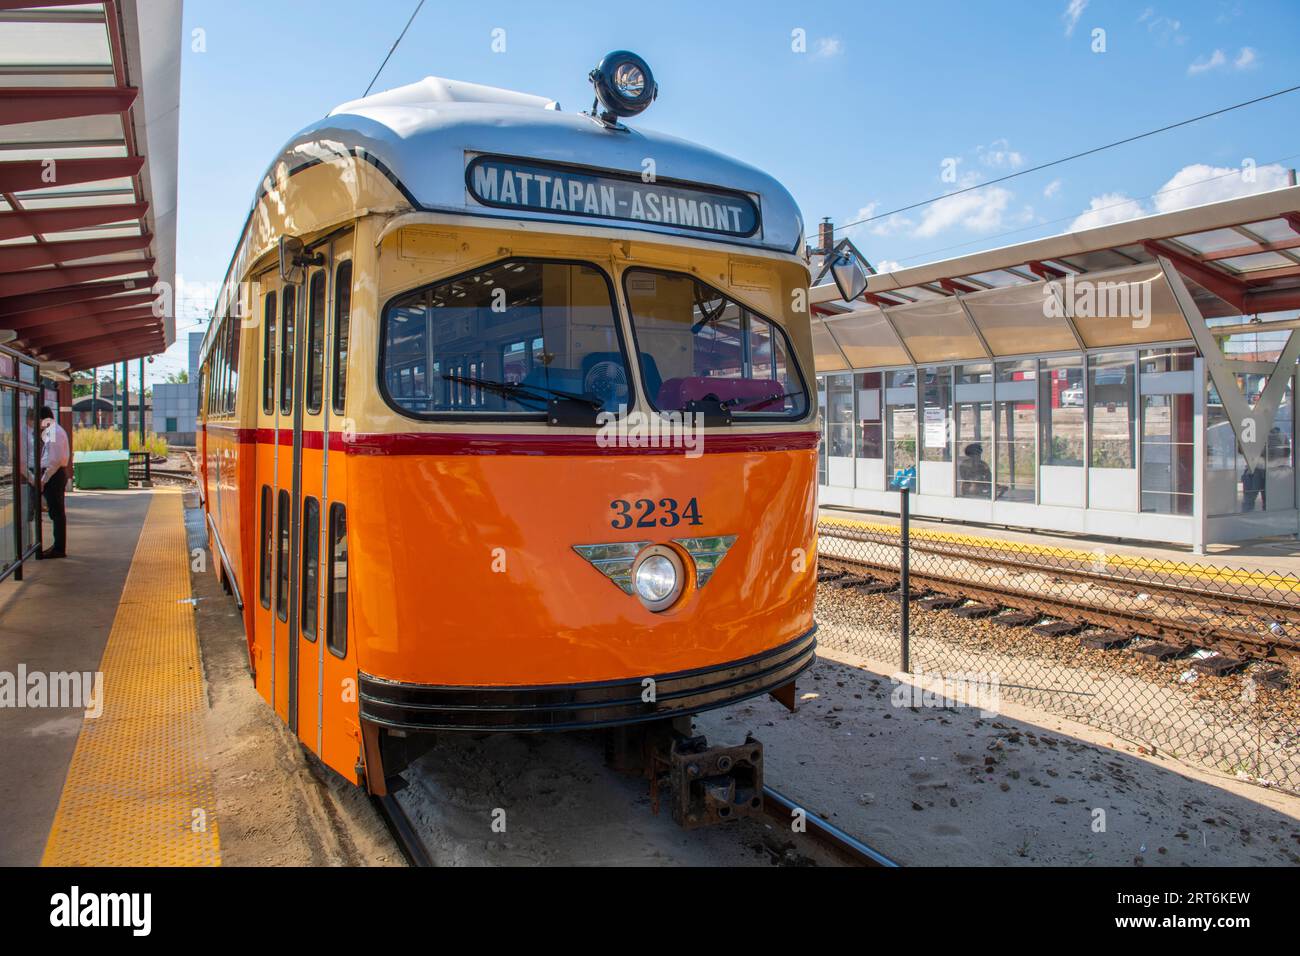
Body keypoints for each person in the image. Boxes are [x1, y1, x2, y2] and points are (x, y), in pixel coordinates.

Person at [37, 405, 69, 559]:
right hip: (57, 474)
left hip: (54, 476)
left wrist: (44, 479)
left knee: (56, 513)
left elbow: (54, 461)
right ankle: (58, 547)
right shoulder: (55, 431)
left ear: (43, 420)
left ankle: (58, 549)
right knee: (57, 513)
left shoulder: (53, 433)